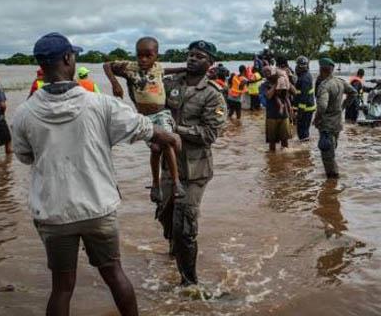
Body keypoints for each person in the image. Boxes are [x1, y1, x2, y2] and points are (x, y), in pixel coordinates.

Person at [12, 32, 180, 316]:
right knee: (114, 274)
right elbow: (144, 129)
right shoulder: (100, 104)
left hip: (53, 213)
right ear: (68, 59)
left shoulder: (25, 113)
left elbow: (24, 156)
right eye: (73, 55)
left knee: (62, 287)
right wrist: (172, 138)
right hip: (98, 208)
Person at [157, 40, 227, 286]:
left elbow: (209, 135)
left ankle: (189, 283)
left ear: (211, 63)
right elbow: (144, 78)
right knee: (165, 218)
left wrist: (175, 130)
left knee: (185, 226)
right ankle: (174, 253)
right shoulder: (170, 85)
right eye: (189, 55)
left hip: (195, 170)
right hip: (169, 165)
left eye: (199, 56)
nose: (192, 59)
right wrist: (171, 70)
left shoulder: (212, 95)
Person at [103, 37, 186, 203]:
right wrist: (115, 84)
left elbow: (171, 70)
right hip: (144, 117)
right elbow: (106, 66)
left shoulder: (158, 68)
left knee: (167, 142)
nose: (143, 59)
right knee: (155, 148)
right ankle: (156, 184)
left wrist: (185, 69)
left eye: (148, 55)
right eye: (139, 55)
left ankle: (176, 182)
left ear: (156, 56)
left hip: (161, 113)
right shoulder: (130, 68)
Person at [313, 58, 356, 178]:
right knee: (331, 151)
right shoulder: (340, 82)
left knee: (327, 156)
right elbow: (353, 93)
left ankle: (332, 186)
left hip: (327, 125)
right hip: (337, 124)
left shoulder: (325, 86)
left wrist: (316, 118)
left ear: (322, 69)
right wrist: (343, 106)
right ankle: (333, 185)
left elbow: (322, 106)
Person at [262, 66, 293, 151]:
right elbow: (268, 96)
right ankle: (273, 161)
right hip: (271, 116)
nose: (267, 73)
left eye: (268, 71)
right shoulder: (264, 85)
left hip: (284, 116)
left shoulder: (282, 80)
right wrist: (276, 83)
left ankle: (282, 161)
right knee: (272, 143)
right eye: (265, 72)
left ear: (272, 71)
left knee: (285, 141)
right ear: (263, 74)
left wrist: (286, 80)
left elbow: (293, 92)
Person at [293, 56, 315, 141]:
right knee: (303, 131)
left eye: (298, 66)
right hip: (307, 108)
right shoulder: (305, 75)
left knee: (302, 132)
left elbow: (303, 97)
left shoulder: (304, 79)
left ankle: (304, 152)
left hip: (305, 109)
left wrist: (300, 112)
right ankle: (305, 150)